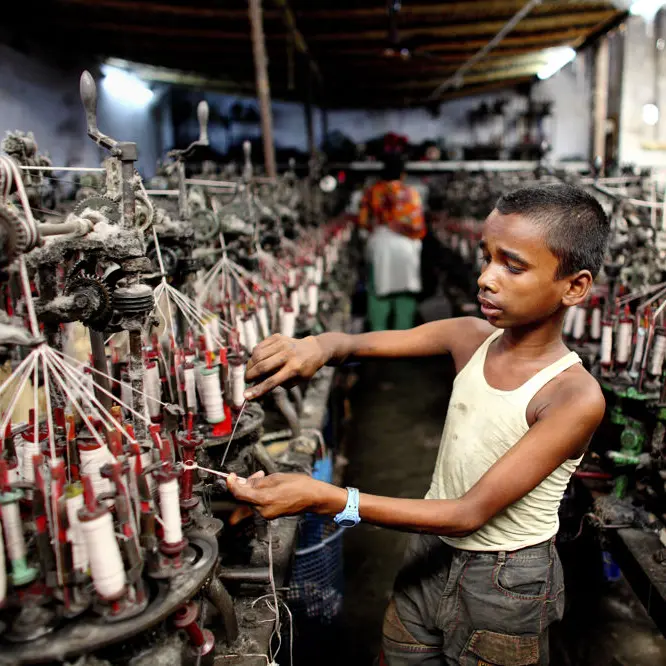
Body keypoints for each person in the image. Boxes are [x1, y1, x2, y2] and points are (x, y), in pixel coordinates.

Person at [228, 184, 609, 665]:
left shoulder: (571, 396)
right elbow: (358, 344)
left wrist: (328, 500)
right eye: (485, 257)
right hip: (429, 550)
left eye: (512, 266)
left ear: (574, 286)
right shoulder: (470, 337)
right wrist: (318, 346)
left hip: (506, 583)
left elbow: (469, 513)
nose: (486, 279)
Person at [358, 154, 426, 331]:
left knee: (378, 295)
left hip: (380, 246)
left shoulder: (372, 192)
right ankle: (403, 346)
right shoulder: (411, 193)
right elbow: (418, 226)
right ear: (402, 174)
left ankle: (378, 345)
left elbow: (363, 221)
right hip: (406, 248)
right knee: (405, 295)